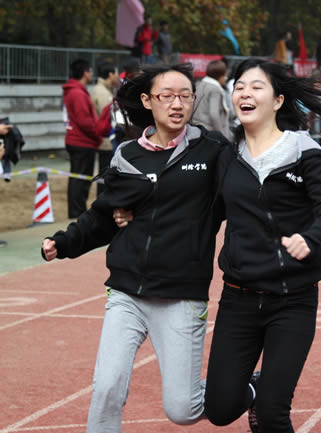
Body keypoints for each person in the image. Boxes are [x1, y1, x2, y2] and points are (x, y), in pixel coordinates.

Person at [42, 63, 229, 433]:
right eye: (167, 96)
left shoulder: (213, 150)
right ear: (147, 100)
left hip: (180, 295)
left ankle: (246, 389)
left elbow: (240, 199)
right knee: (106, 388)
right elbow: (103, 215)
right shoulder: (127, 154)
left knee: (183, 409)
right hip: (127, 292)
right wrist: (62, 242)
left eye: (185, 96)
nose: (177, 104)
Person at [202, 58, 321, 433]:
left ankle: (266, 399)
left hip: (292, 300)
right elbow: (200, 212)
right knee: (220, 409)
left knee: (272, 415)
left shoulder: (305, 154)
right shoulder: (226, 156)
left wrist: (313, 240)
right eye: (239, 87)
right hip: (238, 298)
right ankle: (254, 388)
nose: (245, 93)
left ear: (278, 100)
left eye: (256, 87)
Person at [62, 58, 102, 218]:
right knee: (80, 179)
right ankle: (77, 212)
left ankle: (77, 211)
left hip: (79, 140)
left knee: (79, 178)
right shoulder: (77, 93)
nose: (92, 74)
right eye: (90, 71)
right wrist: (97, 135)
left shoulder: (75, 91)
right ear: (86, 73)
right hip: (82, 141)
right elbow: (84, 121)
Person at [90, 62, 120, 196]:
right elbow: (108, 118)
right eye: (116, 73)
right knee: (105, 180)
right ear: (110, 75)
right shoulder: (102, 93)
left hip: (107, 141)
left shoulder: (105, 90)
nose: (118, 77)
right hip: (107, 142)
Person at [193, 60, 233, 140]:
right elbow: (214, 114)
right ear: (220, 75)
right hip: (210, 132)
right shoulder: (215, 89)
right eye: (225, 75)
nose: (226, 78)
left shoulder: (199, 85)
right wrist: (221, 134)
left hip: (196, 129)